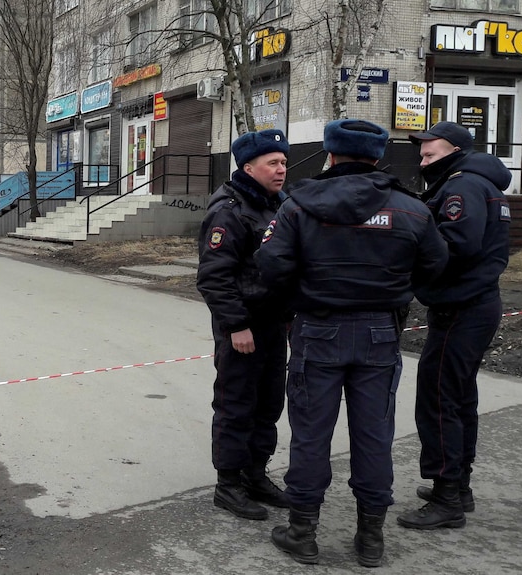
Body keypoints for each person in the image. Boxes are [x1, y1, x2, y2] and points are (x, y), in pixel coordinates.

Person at [256, 119, 448, 566]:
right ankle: (371, 539)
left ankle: (303, 532)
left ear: (330, 154)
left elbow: (271, 265)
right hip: (380, 333)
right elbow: (436, 264)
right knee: (374, 435)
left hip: (317, 330)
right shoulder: (411, 208)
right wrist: (393, 288)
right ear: (378, 157)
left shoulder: (298, 205)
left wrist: (303, 295)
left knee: (310, 434)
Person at [397, 121, 512, 530]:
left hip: (461, 308)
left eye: (431, 154)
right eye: (422, 154)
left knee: (439, 398)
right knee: (460, 397)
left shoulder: (462, 187)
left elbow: (454, 245)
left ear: (456, 152)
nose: (423, 161)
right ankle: (458, 485)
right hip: (475, 305)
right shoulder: (480, 184)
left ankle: (447, 497)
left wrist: (405, 251)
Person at [196, 129, 292, 521]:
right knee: (237, 404)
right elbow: (214, 277)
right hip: (243, 326)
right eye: (273, 163)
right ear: (248, 167)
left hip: (273, 324)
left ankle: (255, 474)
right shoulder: (229, 210)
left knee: (268, 403)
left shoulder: (278, 205)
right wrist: (236, 325)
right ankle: (229, 485)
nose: (281, 169)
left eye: (284, 162)